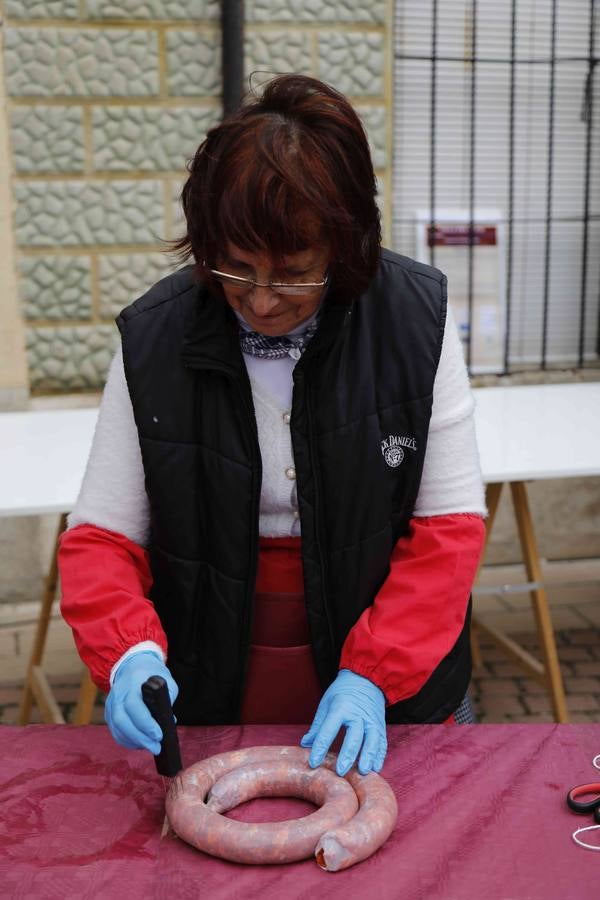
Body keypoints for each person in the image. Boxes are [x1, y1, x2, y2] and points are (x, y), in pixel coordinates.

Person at [58, 74, 486, 779]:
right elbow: (102, 538)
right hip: (210, 680)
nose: (259, 299)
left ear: (343, 249)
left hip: (391, 684)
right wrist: (129, 652)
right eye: (235, 266)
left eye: (293, 273)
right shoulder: (154, 339)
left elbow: (448, 533)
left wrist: (374, 674)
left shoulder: (415, 322)